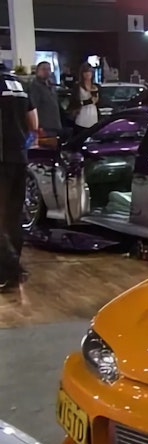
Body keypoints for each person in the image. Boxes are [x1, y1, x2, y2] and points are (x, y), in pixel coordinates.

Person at [0, 69, 38, 291]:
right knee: (14, 216)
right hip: (19, 159)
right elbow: (34, 123)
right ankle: (15, 270)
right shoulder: (20, 85)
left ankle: (8, 272)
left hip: (1, 159)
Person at [27, 61, 61, 138]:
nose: (47, 71)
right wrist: (38, 126)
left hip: (54, 125)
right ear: (37, 71)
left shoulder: (51, 85)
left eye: (49, 69)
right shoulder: (35, 86)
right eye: (44, 69)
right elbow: (33, 107)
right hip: (43, 127)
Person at [70, 63, 99, 132]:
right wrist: (87, 102)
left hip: (93, 116)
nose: (88, 74)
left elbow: (99, 101)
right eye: (85, 72)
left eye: (89, 72)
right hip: (82, 116)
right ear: (82, 74)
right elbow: (74, 101)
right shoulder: (77, 86)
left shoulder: (96, 86)